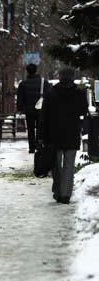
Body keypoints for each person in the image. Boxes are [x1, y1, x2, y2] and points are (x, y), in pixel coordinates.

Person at [40, 67, 88, 204]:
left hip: (54, 134)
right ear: (72, 77)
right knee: (69, 165)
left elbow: (44, 116)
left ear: (60, 77)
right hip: (72, 133)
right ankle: (66, 194)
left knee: (56, 165)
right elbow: (83, 111)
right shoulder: (79, 94)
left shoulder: (51, 93)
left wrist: (41, 135)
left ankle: (57, 190)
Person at [16, 63, 48, 153]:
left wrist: (20, 109)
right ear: (36, 70)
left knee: (30, 129)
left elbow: (20, 98)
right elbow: (49, 95)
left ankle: (31, 147)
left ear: (27, 71)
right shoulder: (43, 82)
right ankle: (39, 144)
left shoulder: (23, 84)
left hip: (29, 110)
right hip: (41, 109)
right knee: (40, 127)